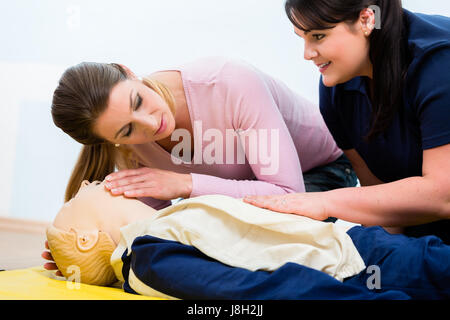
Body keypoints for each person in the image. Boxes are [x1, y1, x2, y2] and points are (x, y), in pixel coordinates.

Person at [44, 56, 357, 274]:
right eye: (127, 131)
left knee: (241, 249)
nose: (150, 124)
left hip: (319, 173)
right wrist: (81, 253)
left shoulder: (227, 81)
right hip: (251, 198)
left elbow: (289, 195)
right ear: (111, 140)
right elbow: (152, 226)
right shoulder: (129, 151)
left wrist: (186, 184)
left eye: (138, 101)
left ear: (128, 71)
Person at [245, 0, 450, 243]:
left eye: (318, 36)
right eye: (302, 37)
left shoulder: (438, 64)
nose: (307, 54)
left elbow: (443, 195)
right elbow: (379, 205)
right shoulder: (335, 89)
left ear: (366, 20)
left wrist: (323, 201)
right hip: (421, 235)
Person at [45, 180, 450, 299]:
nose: (87, 182)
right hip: (364, 270)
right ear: (85, 240)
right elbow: (254, 291)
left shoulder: (162, 230)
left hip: (362, 247)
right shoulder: (149, 257)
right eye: (86, 192)